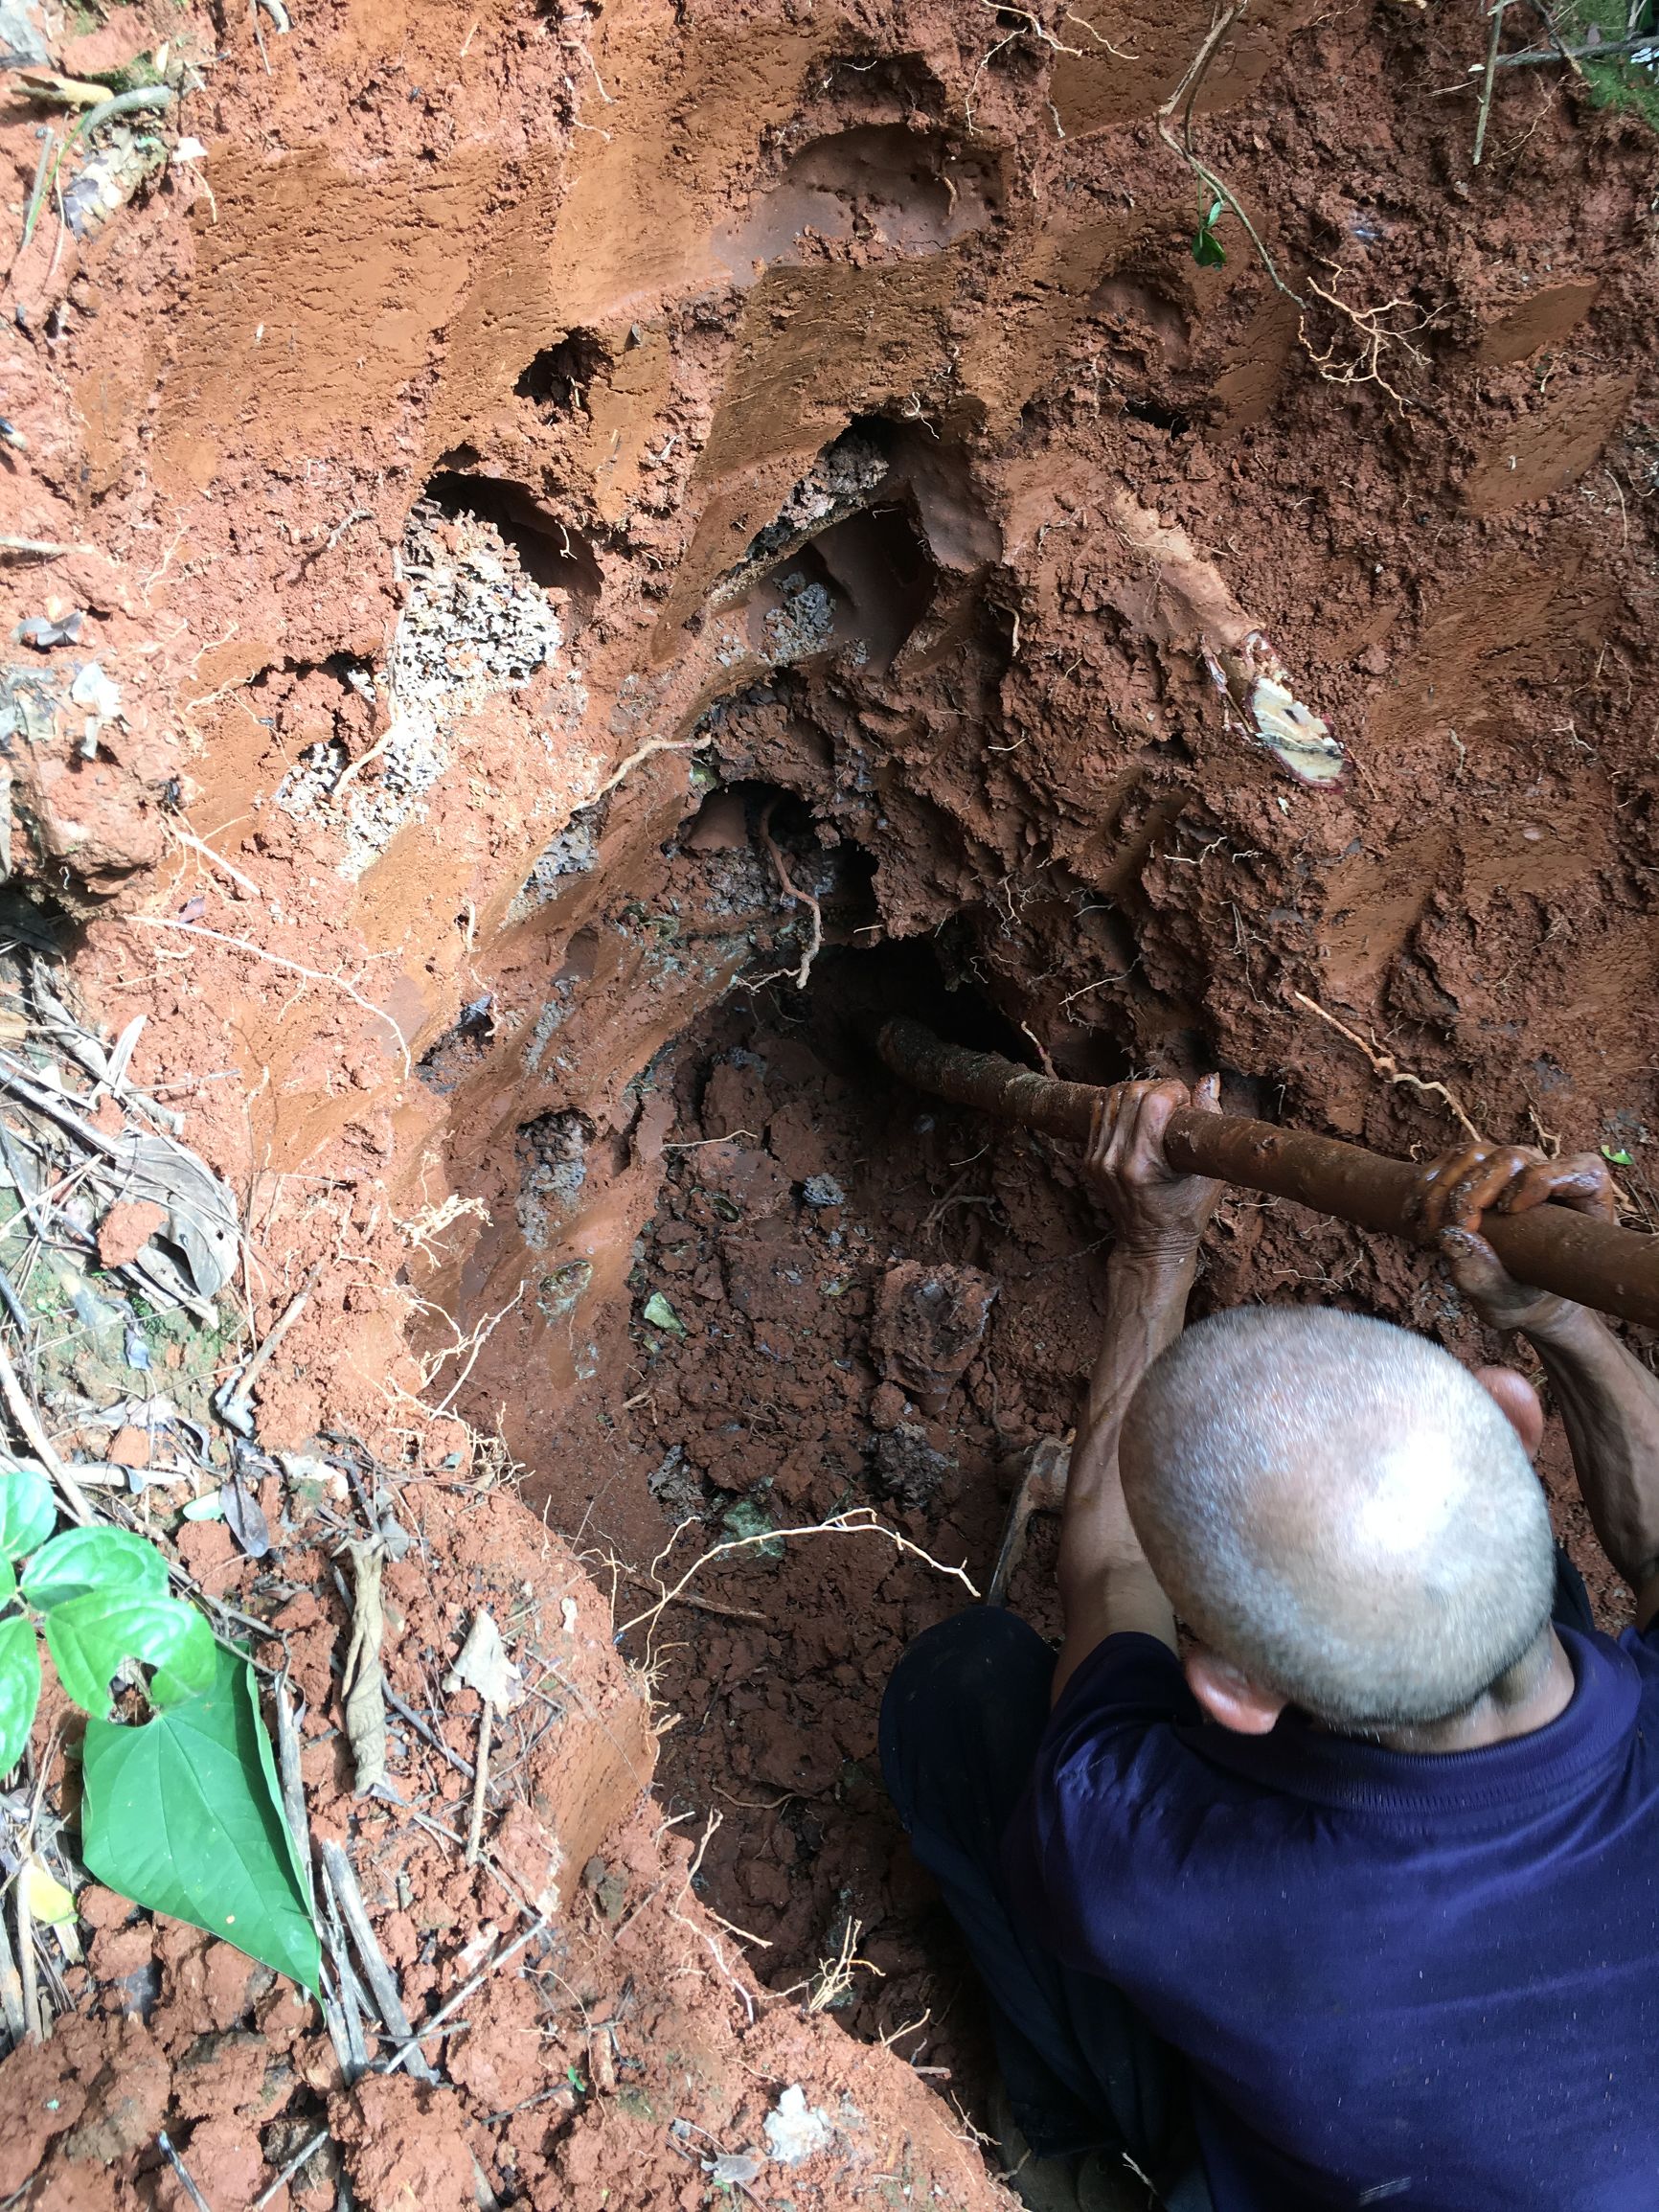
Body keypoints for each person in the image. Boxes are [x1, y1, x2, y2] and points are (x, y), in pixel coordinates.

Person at [880, 1075, 1659, 2212]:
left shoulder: (1152, 1863)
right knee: (1461, 1562)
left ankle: (1071, 2144)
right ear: (1512, 1418)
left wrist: (1154, 1250)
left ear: (1231, 1690)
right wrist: (1557, 1317)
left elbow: (1105, 1573)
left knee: (964, 1689)